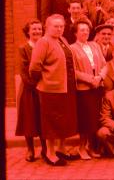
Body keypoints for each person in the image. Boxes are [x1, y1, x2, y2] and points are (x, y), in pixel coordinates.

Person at [29, 14, 78, 166]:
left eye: (61, 26)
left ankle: (61, 149)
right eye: (55, 26)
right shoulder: (43, 42)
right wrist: (45, 81)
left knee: (63, 120)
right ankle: (50, 153)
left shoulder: (62, 40)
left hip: (66, 87)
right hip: (50, 89)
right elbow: (34, 67)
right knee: (51, 122)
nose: (59, 29)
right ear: (47, 27)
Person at [70, 18, 106, 160]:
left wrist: (99, 78)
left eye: (87, 29)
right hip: (84, 89)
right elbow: (73, 71)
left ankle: (90, 147)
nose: (85, 32)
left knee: (95, 120)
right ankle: (81, 147)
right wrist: (91, 80)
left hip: (98, 87)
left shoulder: (95, 45)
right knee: (86, 120)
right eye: (82, 30)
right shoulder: (72, 49)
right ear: (75, 33)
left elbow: (104, 64)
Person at [15, 19, 47, 162]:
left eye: (39, 29)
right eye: (34, 29)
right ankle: (30, 149)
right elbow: (23, 71)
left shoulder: (46, 46)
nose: (37, 32)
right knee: (28, 118)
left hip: (44, 88)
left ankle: (46, 148)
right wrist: (35, 85)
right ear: (28, 32)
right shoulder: (24, 48)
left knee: (43, 118)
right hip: (29, 89)